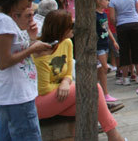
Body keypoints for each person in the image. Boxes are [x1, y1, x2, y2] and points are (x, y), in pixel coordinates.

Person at [34, 10, 125, 140]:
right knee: (93, 88)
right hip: (40, 102)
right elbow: (43, 89)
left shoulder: (67, 43)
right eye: (70, 25)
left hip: (59, 96)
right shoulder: (40, 52)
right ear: (60, 28)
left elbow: (68, 73)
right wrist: (64, 86)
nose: (74, 28)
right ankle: (114, 136)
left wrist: (65, 82)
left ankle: (110, 134)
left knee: (89, 104)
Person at [0, 0, 51, 140]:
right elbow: (3, 61)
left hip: (12, 94)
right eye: (28, 0)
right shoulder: (3, 21)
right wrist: (32, 49)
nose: (29, 5)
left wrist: (32, 39)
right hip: (16, 95)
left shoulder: (3, 19)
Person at [108, 0, 138, 85]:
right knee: (136, 49)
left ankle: (125, 78)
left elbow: (112, 17)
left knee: (124, 51)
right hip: (135, 23)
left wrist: (117, 25)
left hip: (122, 25)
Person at [96, 0, 120, 103]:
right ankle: (104, 93)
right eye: (106, 0)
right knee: (103, 69)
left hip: (105, 43)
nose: (108, 2)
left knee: (101, 70)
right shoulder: (94, 15)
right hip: (99, 45)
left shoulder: (103, 13)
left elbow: (107, 28)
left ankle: (101, 92)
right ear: (99, 1)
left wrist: (113, 41)